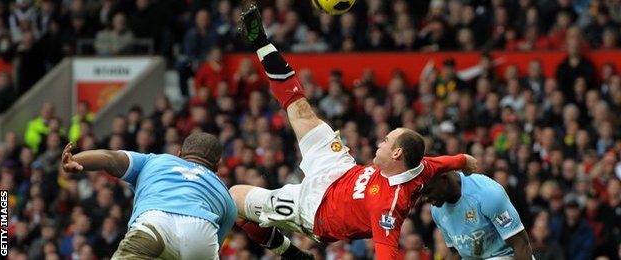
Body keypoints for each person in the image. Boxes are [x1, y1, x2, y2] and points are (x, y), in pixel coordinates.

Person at [230, 3, 478, 259]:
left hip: (316, 210)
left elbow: (387, 253)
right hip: (339, 169)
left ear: (396, 153)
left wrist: (463, 163)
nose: (379, 142)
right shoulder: (419, 166)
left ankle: (289, 253)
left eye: (386, 140)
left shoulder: (388, 208)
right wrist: (465, 161)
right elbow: (450, 161)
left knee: (233, 198)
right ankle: (261, 42)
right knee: (301, 109)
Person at [61, 132, 237, 259]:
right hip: (201, 235)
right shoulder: (225, 195)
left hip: (157, 222)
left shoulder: (155, 160)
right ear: (216, 167)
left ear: (179, 155)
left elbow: (109, 158)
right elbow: (216, 243)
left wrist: (75, 160)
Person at [420, 170, 534, 259]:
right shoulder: (436, 210)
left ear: (443, 178)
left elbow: (521, 244)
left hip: (507, 256)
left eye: (428, 191)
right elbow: (455, 253)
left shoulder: (487, 193)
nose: (425, 199)